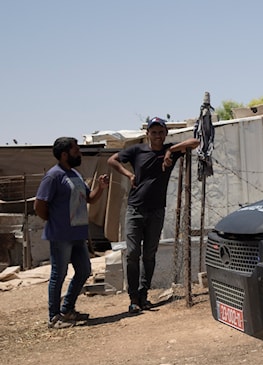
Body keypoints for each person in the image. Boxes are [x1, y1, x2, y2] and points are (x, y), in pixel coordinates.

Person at [108, 118, 200, 314]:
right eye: (154, 132)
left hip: (157, 210)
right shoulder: (137, 151)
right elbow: (112, 160)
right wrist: (129, 175)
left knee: (149, 255)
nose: (157, 135)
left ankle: (144, 295)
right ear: (148, 134)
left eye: (161, 132)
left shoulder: (170, 150)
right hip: (135, 209)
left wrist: (170, 151)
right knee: (133, 253)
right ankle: (133, 297)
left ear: (165, 134)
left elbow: (195, 142)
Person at [34, 137, 110, 329]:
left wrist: (100, 188)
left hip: (78, 233)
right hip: (61, 235)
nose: (80, 154)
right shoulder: (53, 176)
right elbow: (39, 205)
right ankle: (54, 317)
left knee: (84, 270)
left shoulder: (74, 174)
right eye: (76, 151)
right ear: (65, 154)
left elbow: (90, 199)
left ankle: (67, 309)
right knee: (58, 274)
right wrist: (54, 222)